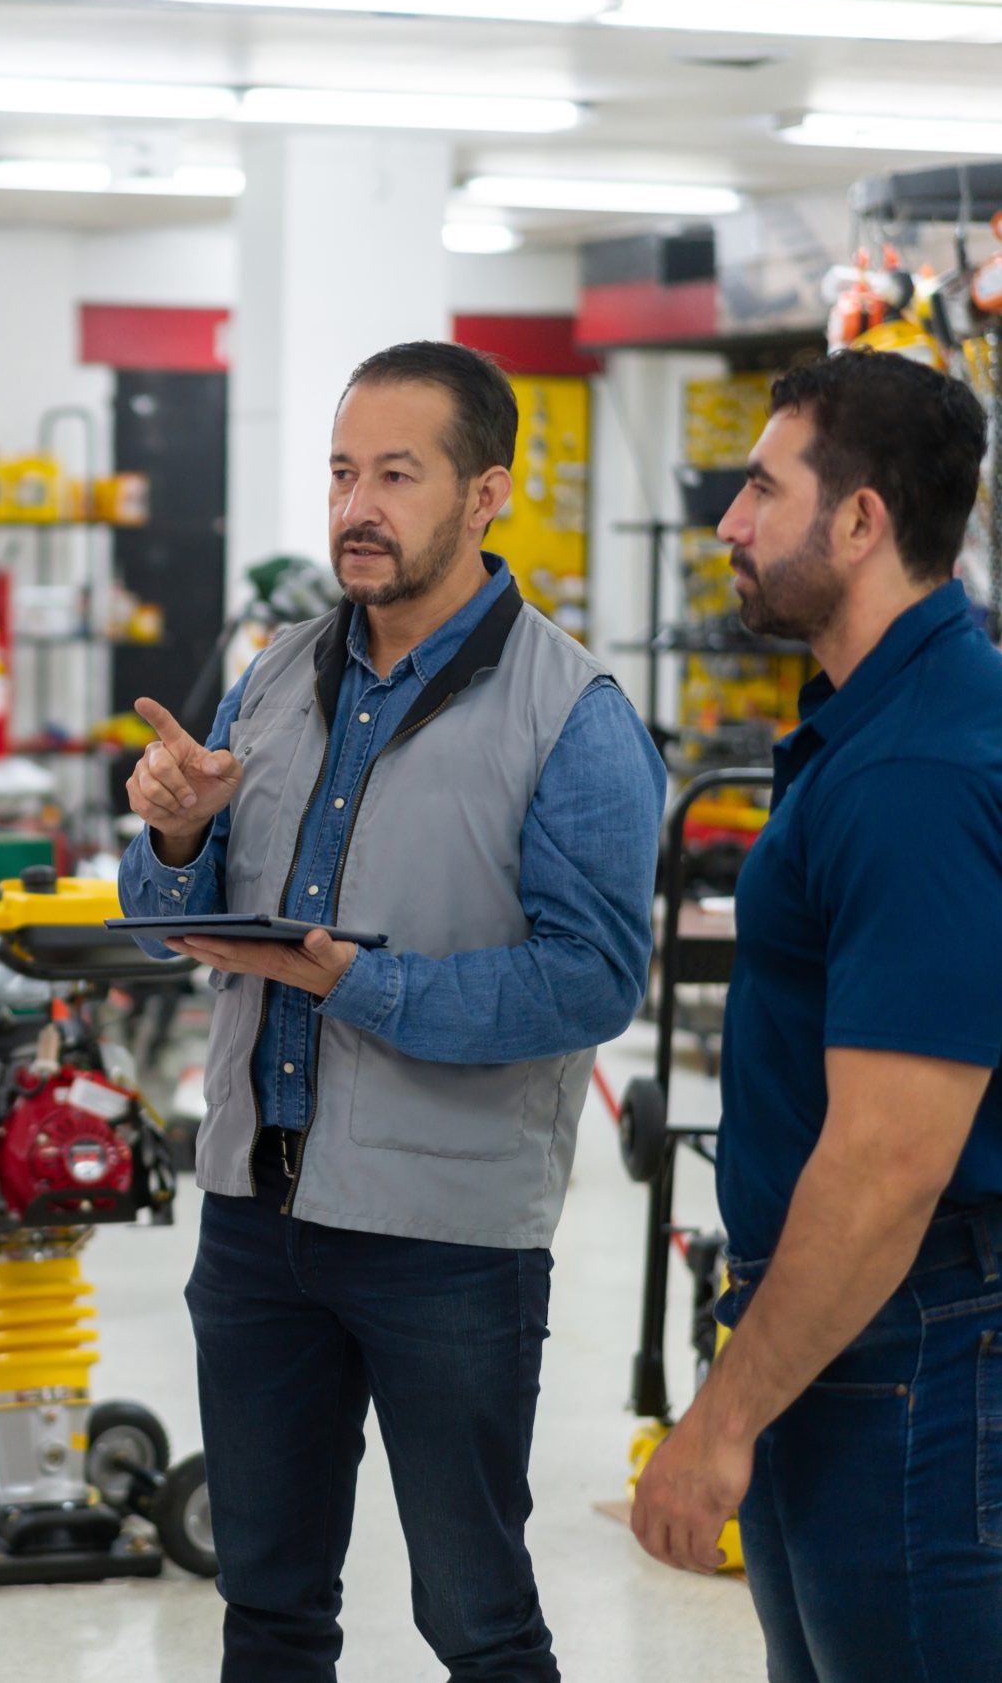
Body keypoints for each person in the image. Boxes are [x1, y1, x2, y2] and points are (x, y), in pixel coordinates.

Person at [119, 340, 665, 1682]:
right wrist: (177, 836)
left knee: (477, 1619)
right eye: (343, 472)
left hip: (449, 1238)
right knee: (268, 1606)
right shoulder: (274, 676)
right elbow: (170, 911)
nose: (357, 505)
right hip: (256, 1218)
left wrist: (367, 985)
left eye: (396, 475)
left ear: (486, 495)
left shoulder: (575, 713)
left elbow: (593, 977)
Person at [630, 351, 1002, 1683]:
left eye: (761, 489)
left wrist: (719, 1418)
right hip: (859, 1324)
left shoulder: (921, 768)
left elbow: (891, 1160)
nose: (728, 522)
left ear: (861, 519)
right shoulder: (882, 716)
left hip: (910, 1329)